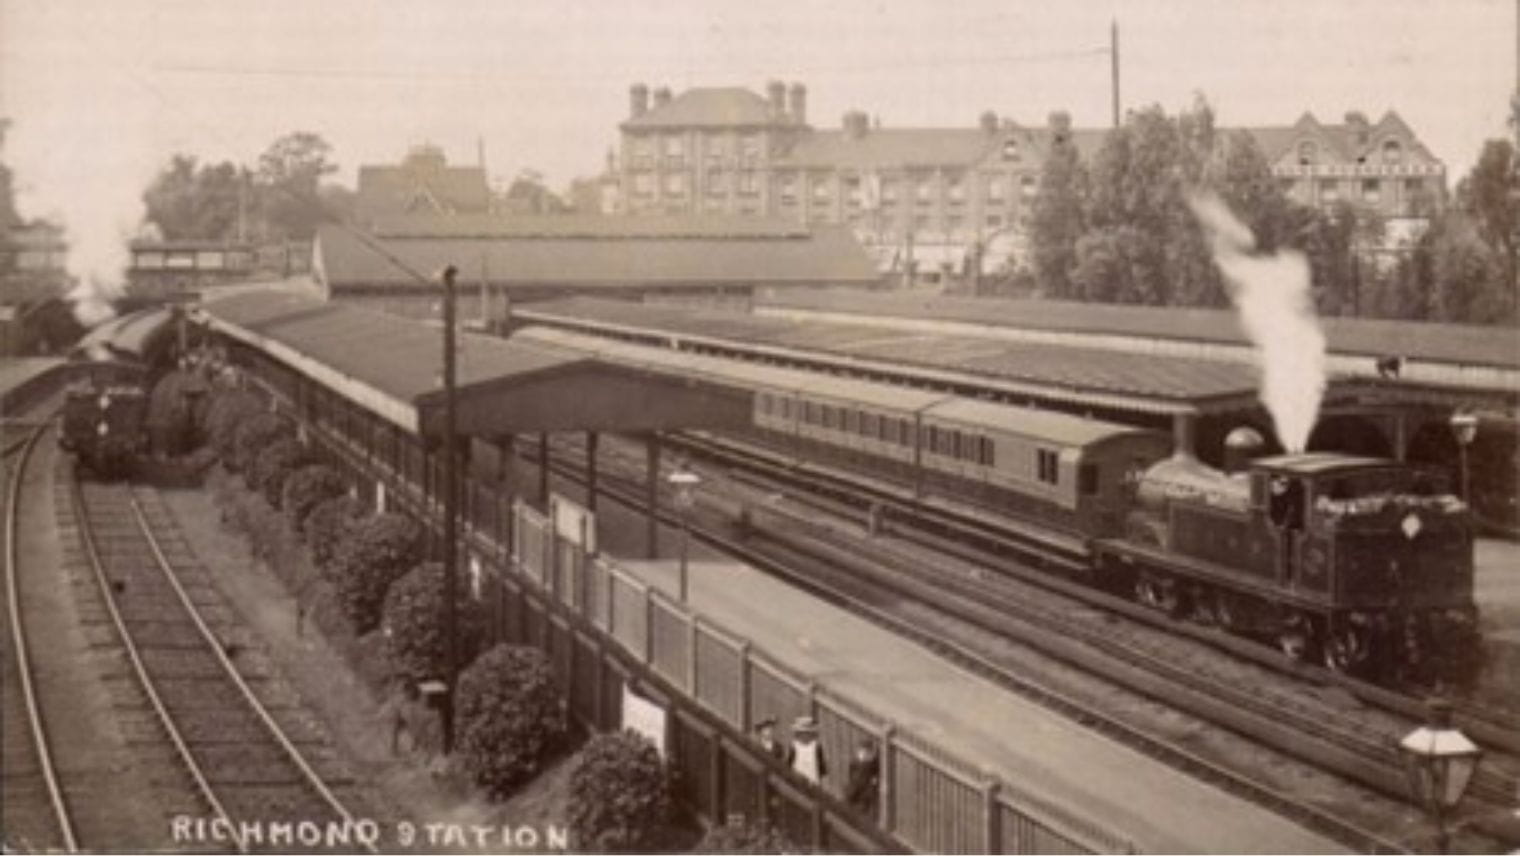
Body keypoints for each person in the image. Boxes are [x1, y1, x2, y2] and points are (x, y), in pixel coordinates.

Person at [844, 739, 881, 820]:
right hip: (855, 784)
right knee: (850, 799)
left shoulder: (872, 762)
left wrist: (875, 779)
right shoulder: (855, 760)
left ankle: (859, 817)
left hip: (866, 787)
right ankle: (849, 815)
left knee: (863, 805)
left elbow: (876, 772)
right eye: (862, 751)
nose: (864, 754)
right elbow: (851, 771)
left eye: (866, 752)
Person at [786, 716, 827, 785]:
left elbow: (821, 766)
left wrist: (822, 780)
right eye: (802, 732)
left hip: (813, 780)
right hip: (797, 780)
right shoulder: (794, 746)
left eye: (807, 732)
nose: (805, 736)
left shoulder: (816, 746)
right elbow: (789, 764)